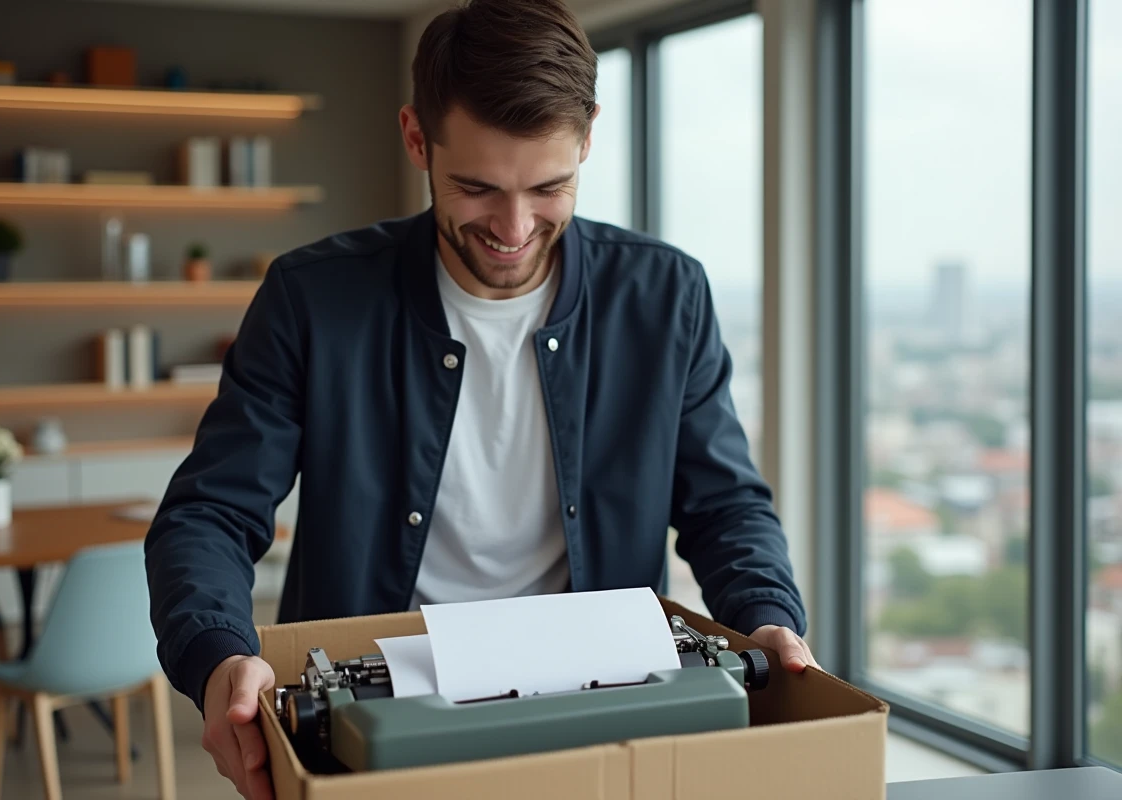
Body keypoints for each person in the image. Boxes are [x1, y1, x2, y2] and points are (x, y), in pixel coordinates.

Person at [144, 1, 816, 797]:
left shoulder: (668, 296)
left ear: (588, 138)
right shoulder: (310, 298)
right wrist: (218, 653)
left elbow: (724, 506)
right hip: (369, 710)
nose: (514, 227)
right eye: (477, 187)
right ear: (416, 138)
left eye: (549, 187)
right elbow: (211, 512)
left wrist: (767, 615)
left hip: (603, 707)